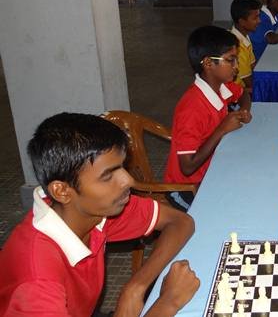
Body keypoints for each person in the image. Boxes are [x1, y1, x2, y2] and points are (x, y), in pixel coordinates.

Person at [0, 113, 199, 317]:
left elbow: (180, 221)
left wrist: (135, 287)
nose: (128, 180)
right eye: (108, 175)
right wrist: (169, 302)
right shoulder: (37, 284)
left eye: (122, 166)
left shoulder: (90, 211)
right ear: (62, 191)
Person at [165, 26, 252, 211]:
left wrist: (244, 110)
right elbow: (187, 167)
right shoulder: (191, 109)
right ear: (208, 63)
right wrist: (222, 129)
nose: (236, 66)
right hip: (185, 188)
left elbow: (243, 93)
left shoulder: (221, 86)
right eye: (230, 60)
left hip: (213, 169)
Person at [230, 0, 262, 92]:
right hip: (239, 92)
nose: (259, 21)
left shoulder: (245, 37)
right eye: (255, 18)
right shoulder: (237, 47)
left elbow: (253, 65)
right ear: (242, 22)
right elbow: (249, 81)